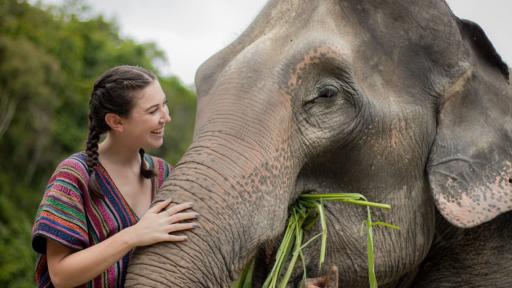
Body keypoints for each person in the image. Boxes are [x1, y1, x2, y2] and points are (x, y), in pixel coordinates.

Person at [31, 65, 198, 287]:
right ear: (116, 121)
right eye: (153, 111)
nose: (166, 117)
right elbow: (61, 275)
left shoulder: (164, 173)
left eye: (164, 104)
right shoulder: (74, 176)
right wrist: (134, 235)